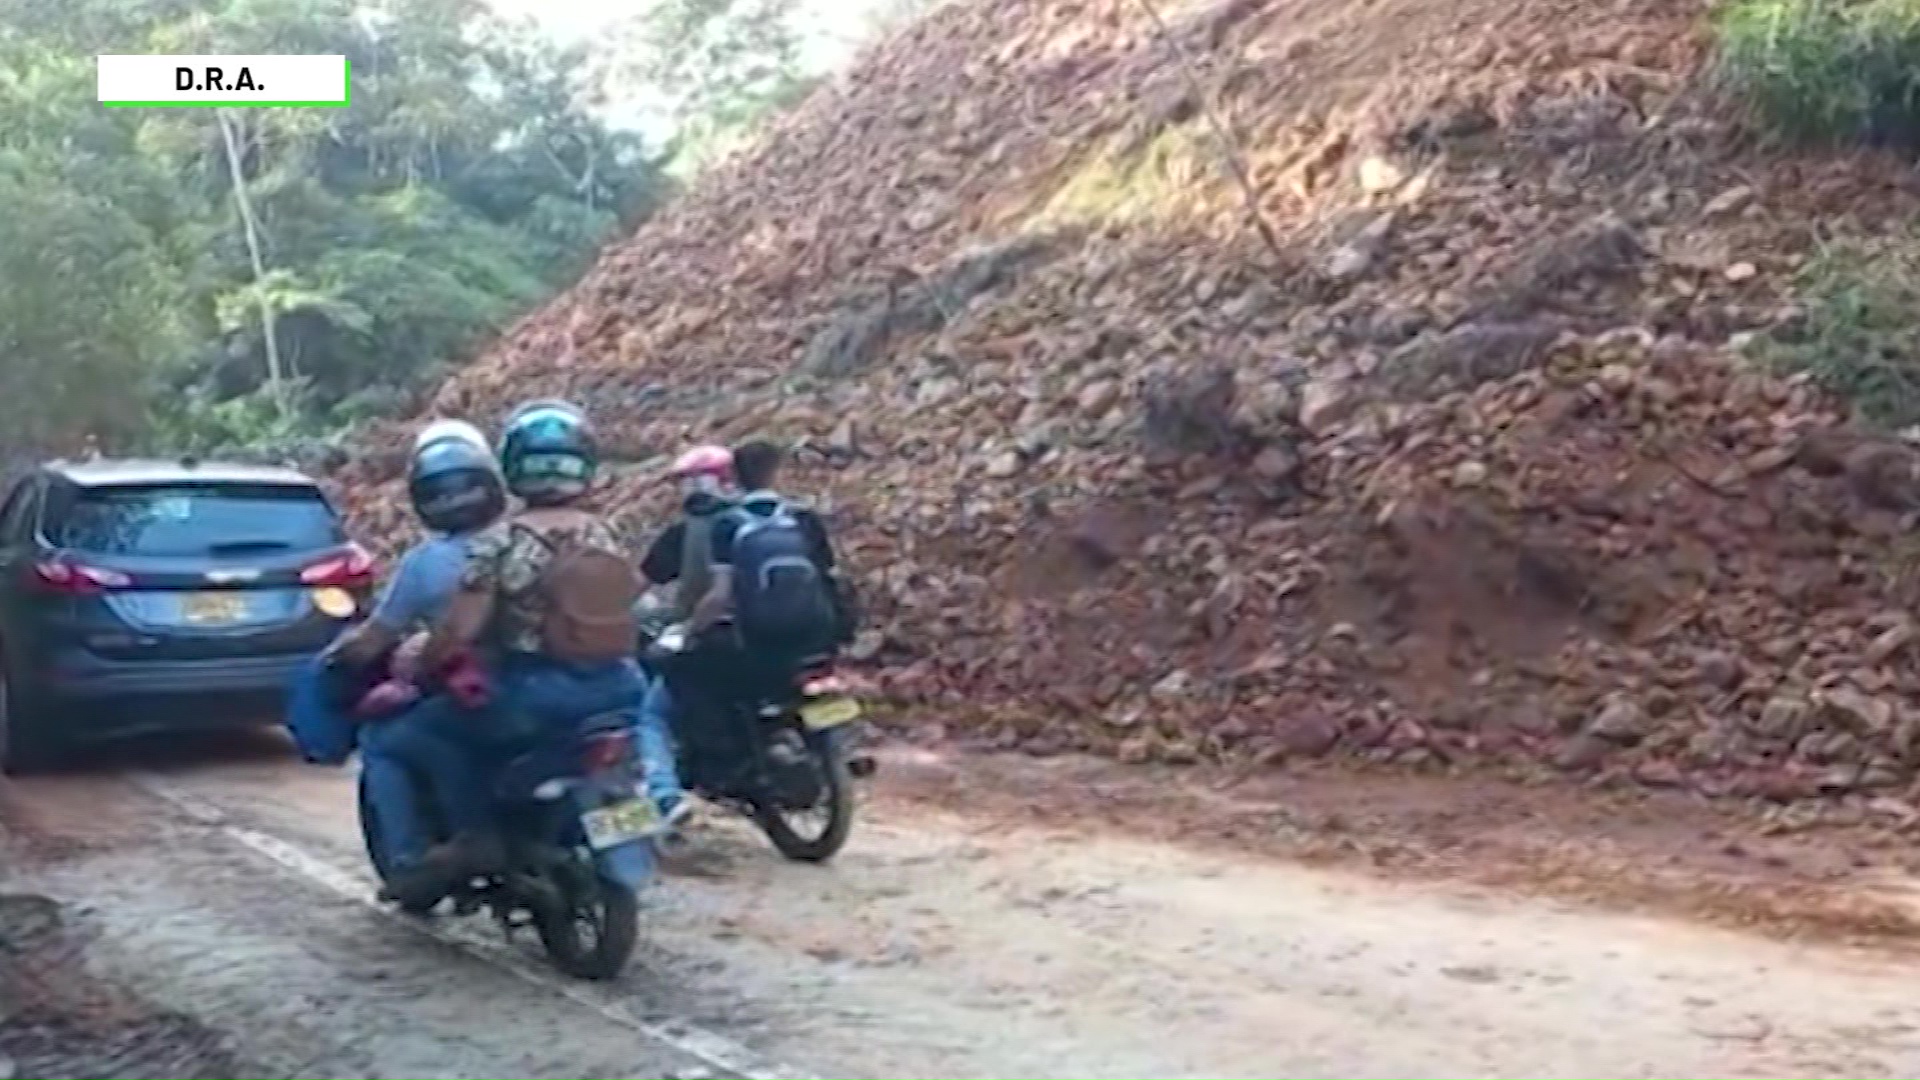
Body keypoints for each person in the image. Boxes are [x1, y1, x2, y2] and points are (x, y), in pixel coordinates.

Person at [417, 400, 689, 844]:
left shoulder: (497, 541)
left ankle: (476, 840)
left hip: (533, 691)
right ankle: (646, 804)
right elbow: (627, 599)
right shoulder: (605, 534)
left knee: (436, 732)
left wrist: (427, 660)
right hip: (619, 682)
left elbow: (459, 632)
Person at [284, 419, 506, 900]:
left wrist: (336, 658)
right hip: (578, 682)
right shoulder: (536, 537)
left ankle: (409, 861)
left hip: (486, 694)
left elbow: (377, 635)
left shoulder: (427, 563)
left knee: (387, 742)